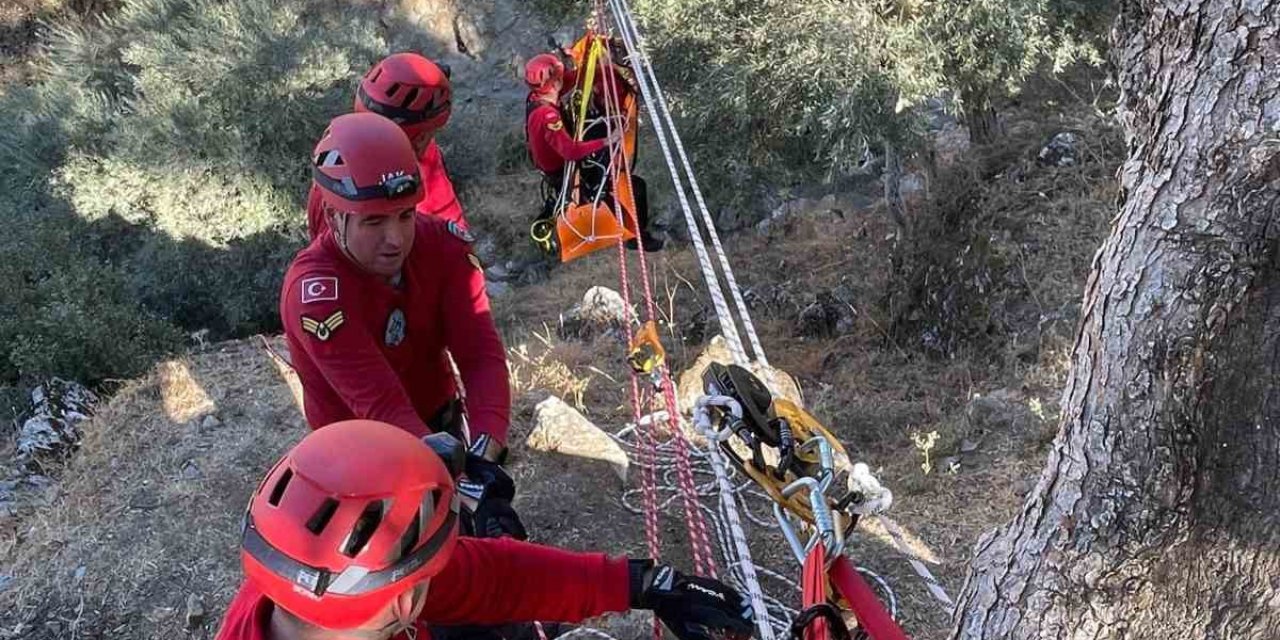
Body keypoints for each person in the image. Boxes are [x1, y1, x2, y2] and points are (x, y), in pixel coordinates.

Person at [213, 419, 756, 640]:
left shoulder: (315, 588)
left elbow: (498, 577)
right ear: (404, 606)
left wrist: (639, 583)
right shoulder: (388, 582)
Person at [280, 111, 520, 540]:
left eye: (405, 215)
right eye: (374, 221)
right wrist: (462, 482)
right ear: (334, 218)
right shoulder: (316, 296)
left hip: (438, 416)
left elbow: (480, 355)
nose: (395, 238)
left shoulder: (442, 247)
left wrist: (484, 453)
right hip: (358, 446)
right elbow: (380, 405)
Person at [306, 52, 466, 239]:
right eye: (430, 133)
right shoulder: (407, 177)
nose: (429, 140)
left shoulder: (334, 167)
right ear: (420, 138)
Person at [523, 51, 664, 253]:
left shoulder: (537, 97)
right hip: (564, 170)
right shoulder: (547, 115)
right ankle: (636, 237)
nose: (564, 79)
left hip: (558, 159)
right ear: (554, 84)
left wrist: (608, 70)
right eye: (559, 78)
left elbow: (576, 78)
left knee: (598, 127)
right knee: (635, 187)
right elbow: (571, 151)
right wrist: (609, 140)